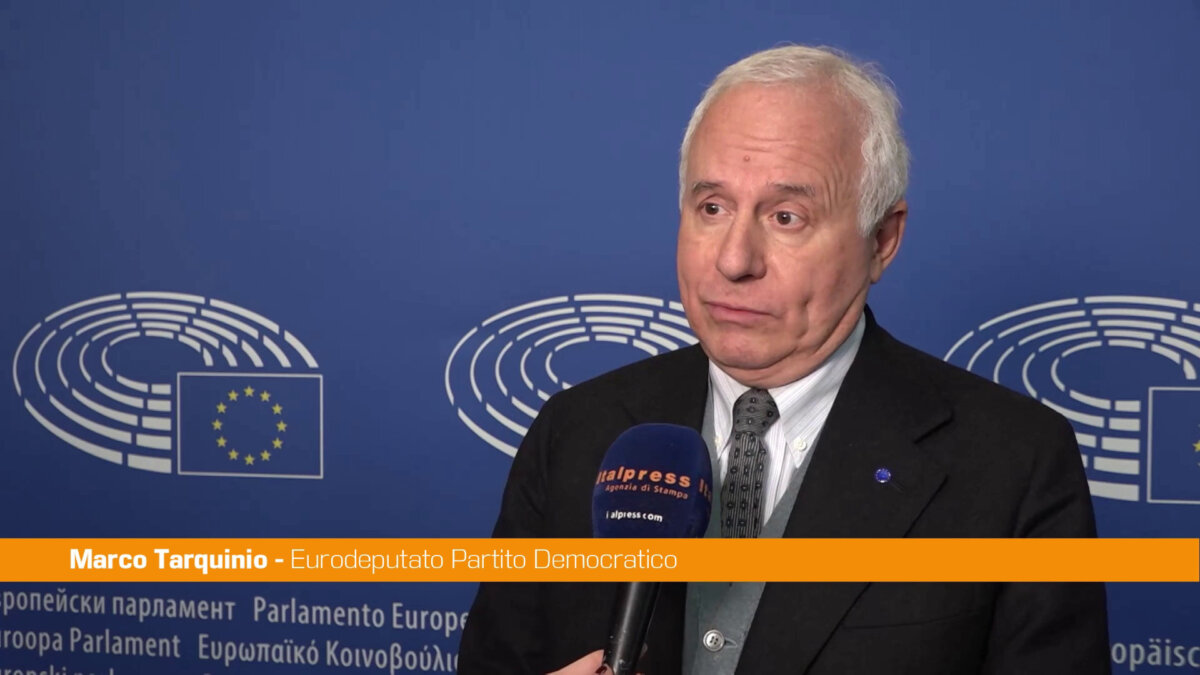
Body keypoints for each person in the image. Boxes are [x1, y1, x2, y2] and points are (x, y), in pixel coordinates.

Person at [458, 45, 1110, 675]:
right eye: (712, 207)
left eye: (787, 217)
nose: (734, 260)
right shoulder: (577, 430)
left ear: (882, 239)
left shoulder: (1013, 462)